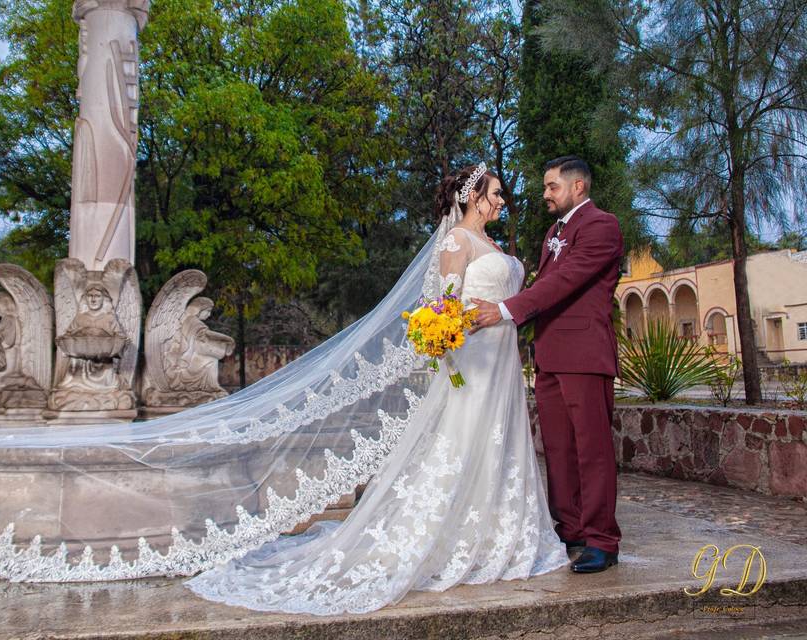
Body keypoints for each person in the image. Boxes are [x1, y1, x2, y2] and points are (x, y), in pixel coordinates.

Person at [183, 163, 570, 614]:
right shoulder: (456, 241)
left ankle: (496, 535)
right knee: (466, 443)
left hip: (502, 362)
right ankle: (451, 538)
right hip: (474, 362)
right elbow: (442, 307)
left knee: (497, 445)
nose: (503, 201)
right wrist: (445, 335)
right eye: (496, 193)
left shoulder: (492, 243)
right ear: (472, 196)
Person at [471, 156, 624, 574]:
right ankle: (570, 526)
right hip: (551, 355)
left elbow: (564, 281)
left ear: (578, 187)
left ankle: (601, 539)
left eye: (552, 187)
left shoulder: (601, 226)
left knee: (591, 449)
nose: (545, 195)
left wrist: (504, 310)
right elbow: (544, 287)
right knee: (557, 448)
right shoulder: (553, 232)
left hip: (584, 355)